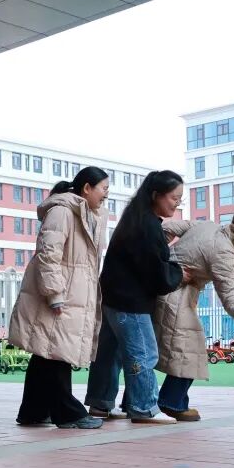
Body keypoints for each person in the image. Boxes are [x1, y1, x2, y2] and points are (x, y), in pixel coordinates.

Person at [154, 201, 234, 420]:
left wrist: (161, 261)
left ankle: (141, 402)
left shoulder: (208, 226)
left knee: (148, 350)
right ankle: (171, 402)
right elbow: (231, 302)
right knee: (190, 348)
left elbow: (165, 230)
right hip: (173, 293)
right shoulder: (224, 251)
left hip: (169, 289)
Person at [85, 170, 189, 424]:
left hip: (111, 299)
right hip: (130, 303)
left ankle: (101, 403)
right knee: (142, 353)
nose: (177, 204)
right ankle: (143, 407)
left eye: (180, 199)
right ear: (156, 195)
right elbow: (157, 273)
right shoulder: (149, 226)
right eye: (174, 198)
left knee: (110, 354)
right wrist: (179, 273)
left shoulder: (134, 219)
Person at [9, 167, 110, 430]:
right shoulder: (63, 212)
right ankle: (68, 413)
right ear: (86, 188)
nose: (106, 194)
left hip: (71, 295)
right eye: (103, 188)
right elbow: (48, 253)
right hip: (59, 295)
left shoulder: (84, 214)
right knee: (57, 353)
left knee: (45, 353)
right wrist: (55, 294)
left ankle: (32, 412)